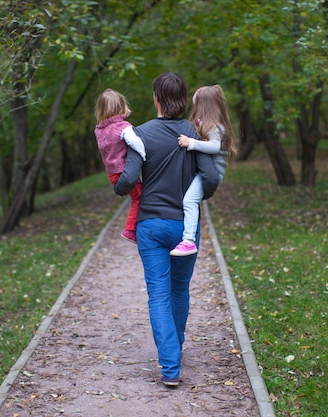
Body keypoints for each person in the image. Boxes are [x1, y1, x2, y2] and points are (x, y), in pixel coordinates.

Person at [114, 72, 220, 387]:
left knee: (158, 294)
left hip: (150, 226)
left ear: (157, 99)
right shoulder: (194, 133)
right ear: (183, 99)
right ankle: (175, 348)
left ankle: (170, 367)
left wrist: (119, 186)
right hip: (184, 226)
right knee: (179, 288)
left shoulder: (140, 133)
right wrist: (199, 196)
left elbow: (128, 180)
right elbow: (211, 178)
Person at [170, 85, 237, 256]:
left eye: (197, 105)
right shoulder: (209, 124)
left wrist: (190, 143)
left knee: (190, 201)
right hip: (204, 171)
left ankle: (188, 240)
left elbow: (214, 147)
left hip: (212, 172)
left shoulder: (216, 127)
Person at [94, 88, 146, 243]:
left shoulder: (99, 129)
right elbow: (134, 141)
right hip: (124, 171)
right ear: (121, 107)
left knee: (136, 195)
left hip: (112, 173)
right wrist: (144, 155)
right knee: (139, 198)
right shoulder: (123, 127)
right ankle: (130, 229)